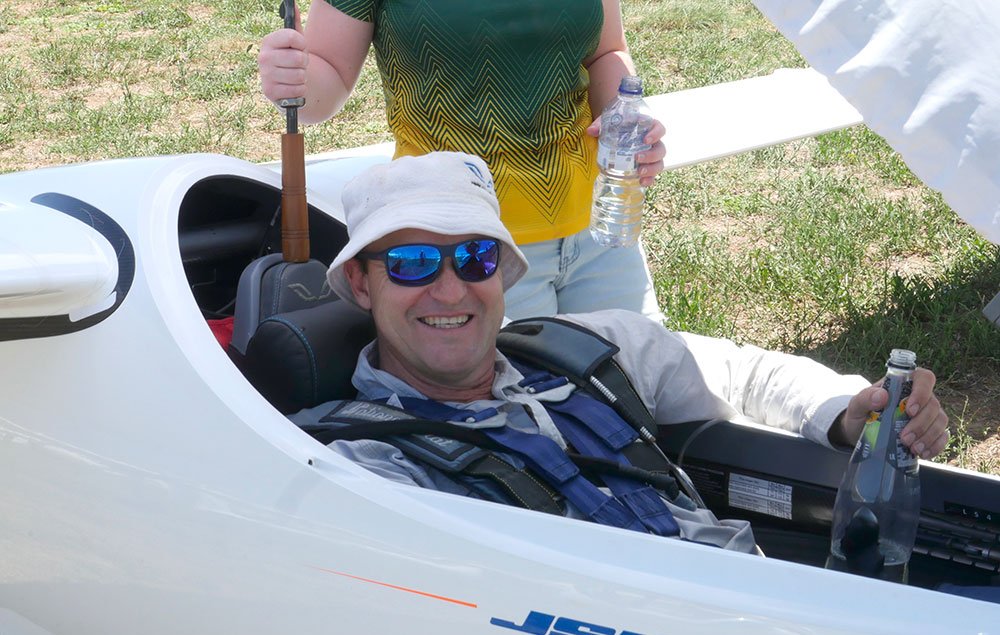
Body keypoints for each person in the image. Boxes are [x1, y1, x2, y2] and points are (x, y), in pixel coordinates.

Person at [293, 151, 950, 553]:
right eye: (409, 263)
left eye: (474, 256)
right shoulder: (373, 470)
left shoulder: (583, 350)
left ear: (502, 272)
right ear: (360, 281)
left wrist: (857, 411)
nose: (448, 287)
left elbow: (744, 372)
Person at [258, 0, 666, 321]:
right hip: (468, 248)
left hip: (601, 228)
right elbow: (328, 75)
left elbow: (605, 51)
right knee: (524, 415)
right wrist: (296, 79)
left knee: (640, 395)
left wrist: (626, 122)